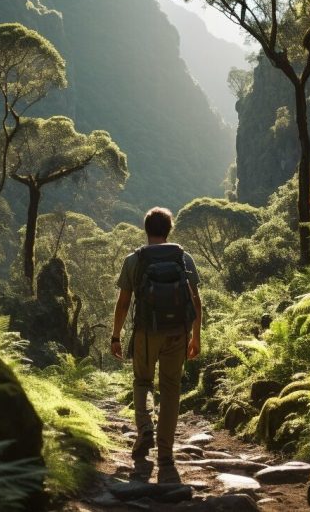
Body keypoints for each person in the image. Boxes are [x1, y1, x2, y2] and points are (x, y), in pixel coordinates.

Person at [111, 207, 202, 483]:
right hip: (178, 332)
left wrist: (116, 335)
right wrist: (196, 336)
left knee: (142, 382)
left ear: (146, 229)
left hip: (146, 332)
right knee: (171, 389)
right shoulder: (183, 258)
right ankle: (165, 455)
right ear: (169, 229)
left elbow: (124, 302)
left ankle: (145, 428)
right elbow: (195, 301)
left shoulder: (134, 260)